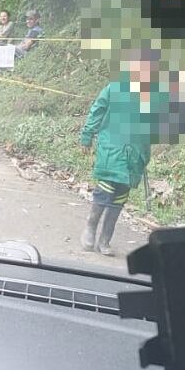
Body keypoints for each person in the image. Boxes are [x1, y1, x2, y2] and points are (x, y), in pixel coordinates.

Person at [78, 59, 156, 256]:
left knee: (121, 194)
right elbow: (97, 111)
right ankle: (90, 227)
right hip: (113, 146)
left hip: (135, 153)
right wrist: (87, 136)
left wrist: (146, 155)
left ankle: (105, 239)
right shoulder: (114, 89)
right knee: (106, 187)